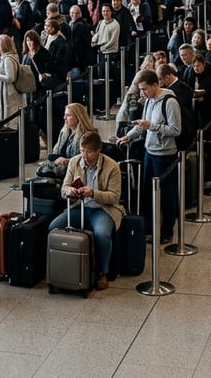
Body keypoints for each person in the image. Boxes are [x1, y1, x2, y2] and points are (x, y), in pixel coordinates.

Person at [50, 132, 122, 290]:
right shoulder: (74, 162)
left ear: (98, 151)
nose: (84, 155)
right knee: (54, 227)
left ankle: (103, 273)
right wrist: (69, 191)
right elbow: (64, 187)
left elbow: (114, 197)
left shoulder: (112, 167)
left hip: (103, 209)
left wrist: (93, 193)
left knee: (102, 234)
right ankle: (61, 267)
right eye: (82, 150)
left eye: (89, 152)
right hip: (79, 206)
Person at [116, 70, 182, 245]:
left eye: (145, 89)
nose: (142, 93)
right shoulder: (149, 101)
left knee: (166, 194)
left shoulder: (170, 102)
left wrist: (152, 126)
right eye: (140, 89)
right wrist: (128, 136)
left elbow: (176, 130)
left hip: (165, 155)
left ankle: (167, 230)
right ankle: (149, 228)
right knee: (147, 192)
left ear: (155, 85)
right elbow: (142, 124)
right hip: (150, 152)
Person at [49, 102, 97, 168]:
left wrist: (67, 161)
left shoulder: (88, 135)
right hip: (61, 166)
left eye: (68, 115)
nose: (64, 118)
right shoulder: (64, 132)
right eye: (65, 115)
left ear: (78, 117)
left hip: (76, 167)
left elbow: (86, 158)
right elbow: (56, 153)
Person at [0, 34, 25, 121]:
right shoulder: (8, 57)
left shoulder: (8, 59)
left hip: (8, 94)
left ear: (3, 46)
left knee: (9, 118)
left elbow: (10, 77)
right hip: (6, 92)